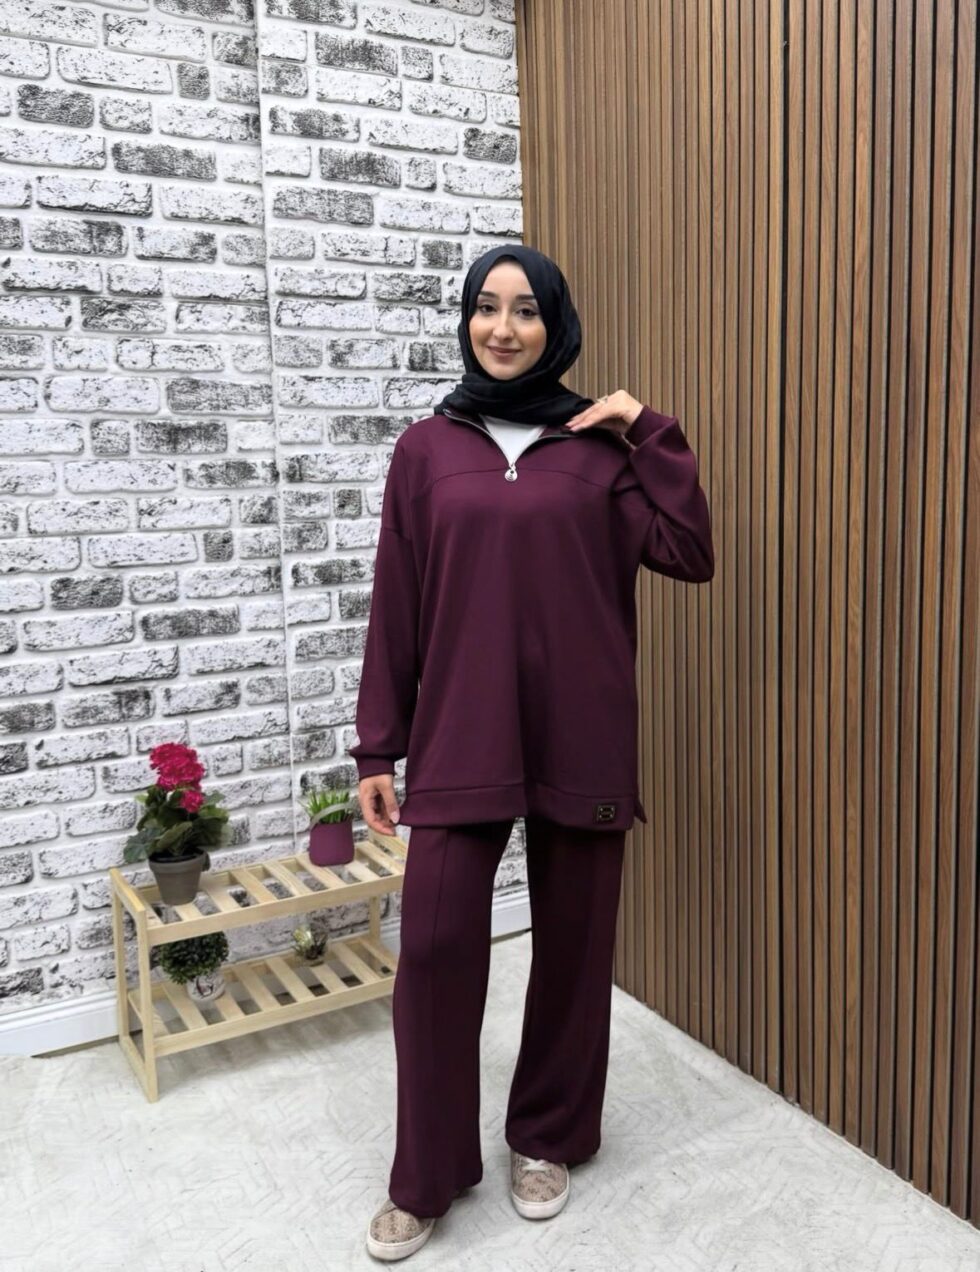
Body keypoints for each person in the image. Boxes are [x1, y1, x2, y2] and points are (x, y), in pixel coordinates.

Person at [354, 244, 715, 1262]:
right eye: (486, 306)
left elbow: (690, 553)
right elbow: (396, 602)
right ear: (466, 319)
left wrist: (648, 428)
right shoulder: (426, 450)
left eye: (524, 310)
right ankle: (426, 1173)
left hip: (581, 730)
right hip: (460, 730)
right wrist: (377, 747)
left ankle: (547, 1135)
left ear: (555, 325)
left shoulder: (599, 449)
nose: (502, 327)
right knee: (433, 950)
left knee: (573, 948)